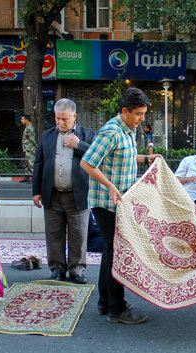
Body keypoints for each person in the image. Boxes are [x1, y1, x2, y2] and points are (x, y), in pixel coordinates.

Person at [81, 87, 162, 324]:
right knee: (116, 253)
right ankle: (117, 308)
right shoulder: (111, 131)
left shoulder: (127, 130)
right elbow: (87, 163)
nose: (142, 118)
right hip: (107, 202)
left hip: (117, 202)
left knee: (110, 252)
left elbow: (123, 156)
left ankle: (106, 303)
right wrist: (110, 186)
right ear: (125, 111)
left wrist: (147, 159)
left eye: (144, 113)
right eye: (138, 113)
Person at [32, 98, 95, 284]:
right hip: (52, 194)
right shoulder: (47, 136)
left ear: (74, 116)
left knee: (79, 234)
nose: (60, 122)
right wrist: (36, 191)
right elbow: (39, 164)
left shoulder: (87, 135)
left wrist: (79, 145)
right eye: (57, 118)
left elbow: (98, 157)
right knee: (54, 234)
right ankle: (57, 268)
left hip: (78, 194)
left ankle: (76, 270)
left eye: (65, 119)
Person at [20, 114, 36, 183]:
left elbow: (32, 138)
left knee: (31, 162)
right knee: (27, 163)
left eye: (22, 119)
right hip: (27, 148)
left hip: (30, 148)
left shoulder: (30, 127)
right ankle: (27, 176)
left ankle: (33, 178)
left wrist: (36, 146)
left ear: (26, 120)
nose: (21, 121)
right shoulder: (27, 127)